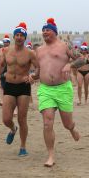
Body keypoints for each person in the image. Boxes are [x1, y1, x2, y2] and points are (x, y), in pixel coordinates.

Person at [35, 18, 80, 167]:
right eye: (43, 30)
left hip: (63, 89)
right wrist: (33, 76)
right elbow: (38, 69)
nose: (44, 32)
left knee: (67, 123)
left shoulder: (64, 46)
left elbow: (84, 60)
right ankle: (51, 155)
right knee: (47, 123)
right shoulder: (39, 50)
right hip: (45, 89)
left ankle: (72, 128)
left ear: (54, 32)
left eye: (47, 30)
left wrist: (70, 64)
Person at [0, 22, 38, 156]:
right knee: (6, 119)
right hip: (9, 86)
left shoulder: (30, 53)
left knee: (22, 118)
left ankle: (23, 147)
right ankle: (13, 129)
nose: (19, 37)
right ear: (14, 37)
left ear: (25, 38)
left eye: (21, 35)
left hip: (23, 87)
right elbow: (1, 64)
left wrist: (32, 76)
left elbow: (38, 69)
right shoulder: (6, 51)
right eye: (17, 35)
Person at [0, 34, 11, 106]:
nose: (5, 43)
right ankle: (2, 100)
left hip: (9, 67)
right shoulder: (1, 50)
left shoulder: (11, 49)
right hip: (2, 67)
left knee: (9, 84)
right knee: (2, 85)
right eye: (4, 42)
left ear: (9, 42)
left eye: (7, 42)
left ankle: (7, 100)